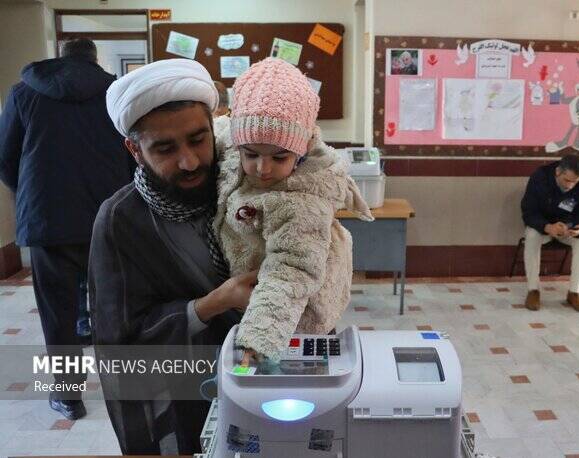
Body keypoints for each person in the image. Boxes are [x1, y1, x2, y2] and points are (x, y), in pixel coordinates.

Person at [95, 58, 257, 454]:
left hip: (261, 375)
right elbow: (119, 341)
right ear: (134, 149)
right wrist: (212, 304)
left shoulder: (245, 185)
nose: (189, 162)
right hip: (184, 392)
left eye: (198, 140)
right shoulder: (121, 221)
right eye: (165, 149)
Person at [0, 38, 134, 420]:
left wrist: (29, 192)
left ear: (60, 58)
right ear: (94, 59)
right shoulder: (115, 93)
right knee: (113, 305)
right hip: (107, 216)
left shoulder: (23, 93)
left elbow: (5, 158)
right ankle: (125, 390)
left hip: (47, 219)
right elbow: (134, 153)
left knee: (56, 314)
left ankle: (68, 396)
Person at [212, 57, 373, 364]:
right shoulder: (237, 141)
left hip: (293, 320)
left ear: (300, 152)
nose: (262, 168)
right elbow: (219, 129)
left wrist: (259, 338)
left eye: (279, 157)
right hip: (250, 303)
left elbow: (291, 271)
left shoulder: (302, 200)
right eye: (251, 154)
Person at [521, 153, 579, 312]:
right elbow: (528, 212)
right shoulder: (540, 177)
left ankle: (574, 292)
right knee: (531, 236)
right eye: (566, 180)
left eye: (574, 181)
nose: (570, 185)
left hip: (566, 229)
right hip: (543, 226)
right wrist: (547, 227)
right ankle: (533, 290)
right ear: (558, 172)